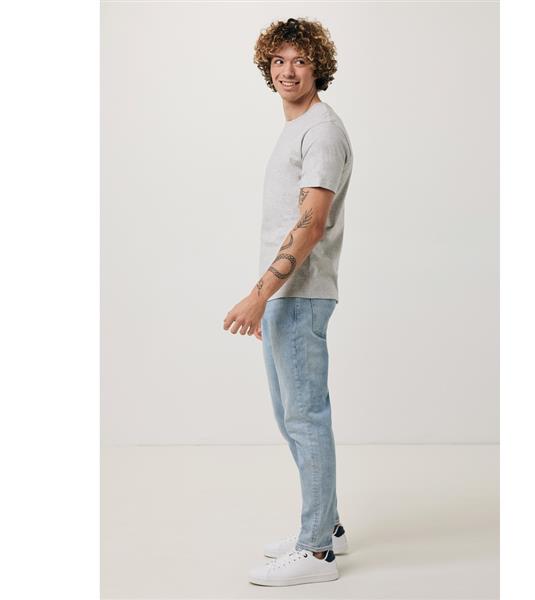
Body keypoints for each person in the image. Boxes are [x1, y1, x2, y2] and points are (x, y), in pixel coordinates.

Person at [223, 17, 353, 587]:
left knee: (305, 418)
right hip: (288, 296)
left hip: (299, 294)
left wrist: (259, 296)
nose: (288, 71)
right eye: (278, 61)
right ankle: (329, 525)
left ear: (318, 67)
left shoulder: (320, 130)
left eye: (300, 60)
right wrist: (267, 299)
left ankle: (317, 552)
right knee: (292, 416)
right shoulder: (298, 127)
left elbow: (311, 223)